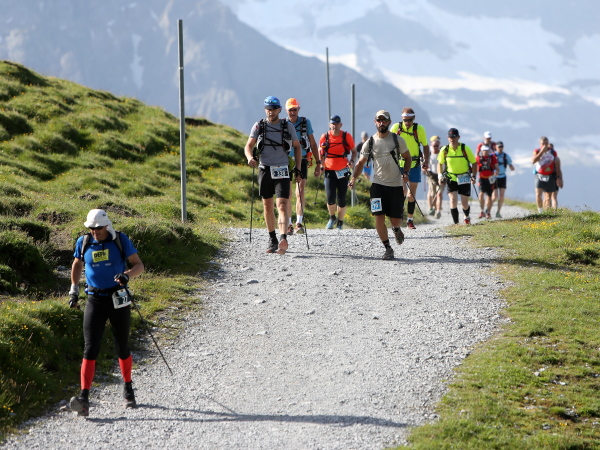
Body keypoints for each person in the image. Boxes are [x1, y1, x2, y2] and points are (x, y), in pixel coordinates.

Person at [68, 209, 145, 417]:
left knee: (122, 346)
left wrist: (127, 275)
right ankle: (84, 398)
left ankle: (128, 388)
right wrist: (74, 291)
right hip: (94, 299)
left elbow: (139, 265)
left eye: (99, 228)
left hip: (118, 298)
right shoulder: (84, 242)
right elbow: (77, 264)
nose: (95, 232)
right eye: (91, 228)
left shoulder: (120, 239)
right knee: (90, 348)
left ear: (107, 226)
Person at [349, 110, 411, 260]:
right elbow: (360, 163)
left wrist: (406, 172)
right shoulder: (370, 142)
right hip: (378, 185)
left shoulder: (397, 140)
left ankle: (396, 229)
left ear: (389, 122)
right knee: (378, 217)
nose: (381, 123)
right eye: (379, 120)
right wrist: (353, 178)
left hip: (395, 185)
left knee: (395, 220)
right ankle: (388, 248)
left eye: (384, 120)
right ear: (375, 122)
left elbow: (407, 157)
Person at [244, 96, 302, 254]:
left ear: (279, 110)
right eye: (268, 109)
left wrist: (298, 168)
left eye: (274, 109)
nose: (271, 112)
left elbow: (297, 147)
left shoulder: (287, 126)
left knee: (282, 204)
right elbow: (248, 146)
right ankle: (272, 238)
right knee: (267, 206)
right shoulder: (259, 126)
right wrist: (249, 158)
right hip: (264, 169)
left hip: (282, 169)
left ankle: (283, 237)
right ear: (265, 110)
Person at [284, 98, 321, 235]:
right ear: (286, 110)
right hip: (286, 160)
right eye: (290, 110)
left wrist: (318, 163)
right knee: (287, 193)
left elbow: (313, 143)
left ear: (298, 109)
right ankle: (288, 224)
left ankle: (299, 223)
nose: (293, 112)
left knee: (300, 191)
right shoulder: (282, 124)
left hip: (304, 159)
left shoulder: (306, 123)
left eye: (295, 109)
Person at [390, 107, 430, 230]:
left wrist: (426, 161)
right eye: (405, 120)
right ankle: (400, 215)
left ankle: (410, 220)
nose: (407, 122)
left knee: (411, 194)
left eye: (410, 120)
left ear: (414, 118)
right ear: (402, 119)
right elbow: (388, 144)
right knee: (402, 191)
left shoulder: (419, 129)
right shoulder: (396, 128)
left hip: (415, 164)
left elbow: (425, 146)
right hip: (400, 164)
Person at [319, 115, 356, 230]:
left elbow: (354, 151)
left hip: (343, 170)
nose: (334, 126)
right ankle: (332, 218)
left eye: (336, 124)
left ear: (340, 125)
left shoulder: (346, 136)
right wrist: (321, 164)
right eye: (332, 124)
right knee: (330, 197)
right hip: (329, 170)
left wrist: (352, 161)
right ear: (330, 125)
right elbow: (321, 152)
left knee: (342, 198)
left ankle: (340, 222)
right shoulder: (325, 137)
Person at [437, 128, 477, 225]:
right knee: (453, 200)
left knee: (464, 204)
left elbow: (474, 162)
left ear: (458, 137)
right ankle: (456, 224)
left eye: (454, 137)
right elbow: (440, 163)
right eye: (450, 137)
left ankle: (466, 216)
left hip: (464, 177)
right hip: (451, 178)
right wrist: (440, 176)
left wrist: (474, 176)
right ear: (447, 138)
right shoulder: (444, 150)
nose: (452, 139)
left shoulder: (465, 148)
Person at [532, 137, 563, 212]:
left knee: (548, 197)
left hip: (550, 176)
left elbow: (557, 165)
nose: (545, 145)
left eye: (546, 143)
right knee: (538, 194)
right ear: (540, 144)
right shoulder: (537, 151)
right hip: (539, 175)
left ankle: (549, 212)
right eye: (543, 143)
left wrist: (559, 177)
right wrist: (541, 152)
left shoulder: (553, 152)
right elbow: (533, 161)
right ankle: (540, 211)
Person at [492, 140, 515, 218]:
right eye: (499, 147)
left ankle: (498, 212)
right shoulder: (493, 155)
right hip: (494, 177)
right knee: (495, 196)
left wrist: (512, 167)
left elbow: (510, 164)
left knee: (501, 196)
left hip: (503, 177)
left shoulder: (505, 156)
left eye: (502, 147)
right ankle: (488, 208)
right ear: (496, 147)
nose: (500, 148)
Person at [476, 145, 499, 219]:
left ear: (489, 151)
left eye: (486, 150)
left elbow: (497, 168)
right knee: (481, 194)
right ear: (481, 151)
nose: (485, 152)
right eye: (484, 150)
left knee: (489, 196)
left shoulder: (492, 158)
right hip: (481, 178)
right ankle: (482, 211)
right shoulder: (478, 158)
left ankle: (488, 212)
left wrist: (496, 172)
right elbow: (474, 167)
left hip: (490, 179)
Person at [426, 135, 443, 219]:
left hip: (441, 175)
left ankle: (438, 210)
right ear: (431, 144)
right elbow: (424, 162)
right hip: (431, 175)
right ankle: (431, 208)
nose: (436, 147)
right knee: (432, 192)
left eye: (437, 145)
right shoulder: (428, 152)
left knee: (439, 193)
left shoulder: (443, 152)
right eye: (434, 145)